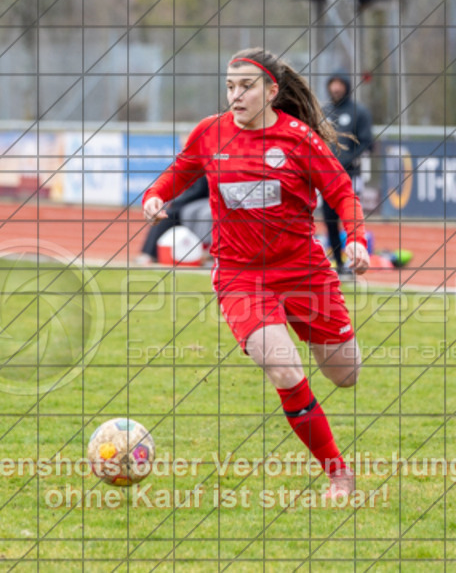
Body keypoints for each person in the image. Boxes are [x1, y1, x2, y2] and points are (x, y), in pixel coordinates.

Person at [142, 48, 370, 498]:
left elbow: (342, 193)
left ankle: (308, 332)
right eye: (230, 86)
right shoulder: (211, 133)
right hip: (241, 275)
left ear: (271, 90)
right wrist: (154, 195)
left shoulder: (299, 139)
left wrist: (356, 239)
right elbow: (178, 172)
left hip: (304, 272)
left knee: (346, 375)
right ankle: (338, 472)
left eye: (246, 86)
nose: (235, 95)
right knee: (283, 369)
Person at [322, 70, 374, 274]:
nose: (336, 88)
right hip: (326, 177)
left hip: (350, 175)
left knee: (350, 218)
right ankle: (339, 263)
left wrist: (346, 161)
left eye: (339, 84)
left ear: (346, 86)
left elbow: (367, 141)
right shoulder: (323, 111)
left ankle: (354, 261)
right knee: (329, 220)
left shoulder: (358, 112)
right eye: (332, 84)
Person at [136, 175, 212, 264]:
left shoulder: (208, 165)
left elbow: (199, 189)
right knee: (176, 212)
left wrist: (177, 201)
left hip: (205, 198)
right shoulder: (192, 164)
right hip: (193, 200)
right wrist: (155, 195)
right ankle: (149, 253)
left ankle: (203, 251)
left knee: (175, 213)